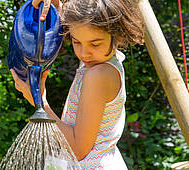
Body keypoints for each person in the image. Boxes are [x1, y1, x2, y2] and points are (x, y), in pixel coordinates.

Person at [10, 0, 144, 169]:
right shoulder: (100, 61)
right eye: (76, 42)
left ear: (116, 34)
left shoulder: (98, 75)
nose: (83, 53)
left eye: (94, 44)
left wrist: (40, 104)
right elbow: (78, 24)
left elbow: (78, 150)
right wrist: (57, 9)